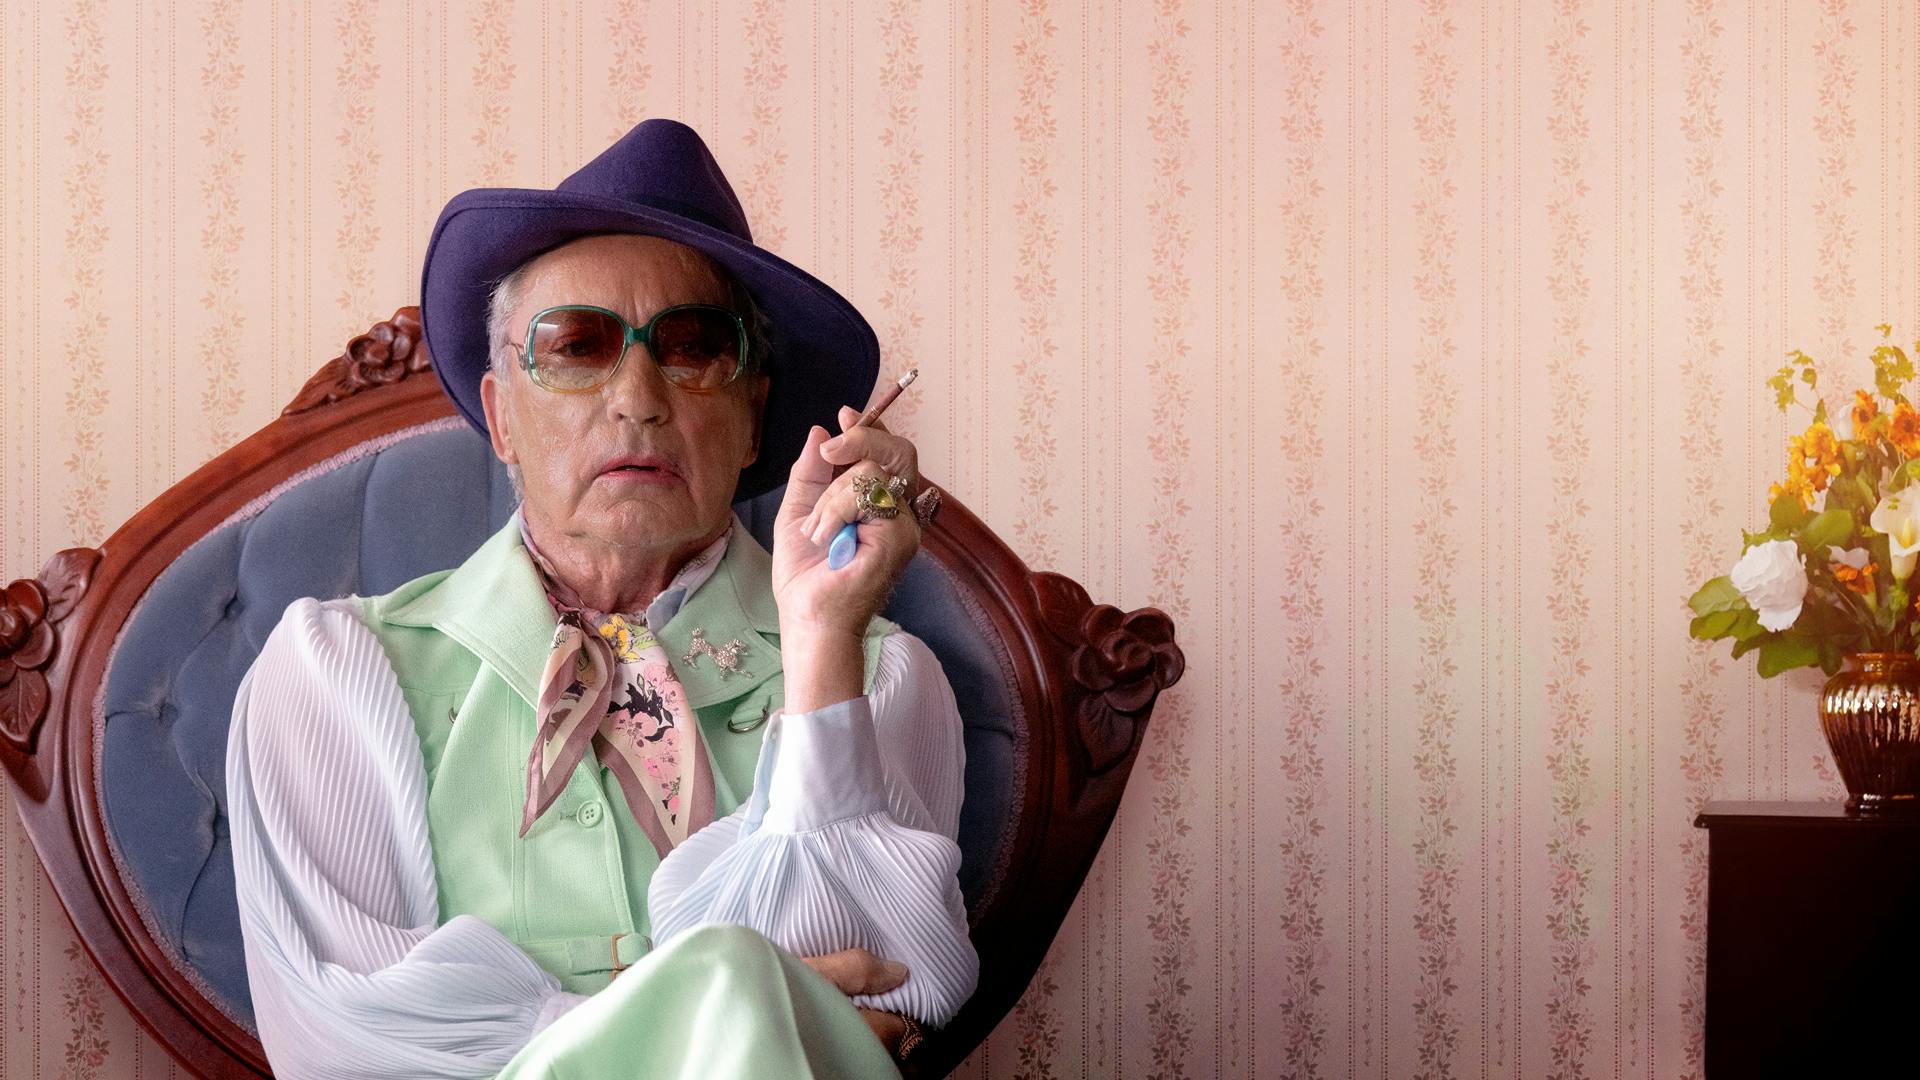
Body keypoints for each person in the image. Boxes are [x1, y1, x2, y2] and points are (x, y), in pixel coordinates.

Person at [225, 118, 978, 1079]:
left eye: (692, 346)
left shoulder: (878, 677)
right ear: (501, 416)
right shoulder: (333, 676)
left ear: (752, 417)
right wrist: (717, 1007)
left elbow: (879, 1010)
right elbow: (356, 1042)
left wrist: (821, 636)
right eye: (578, 345)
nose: (638, 397)